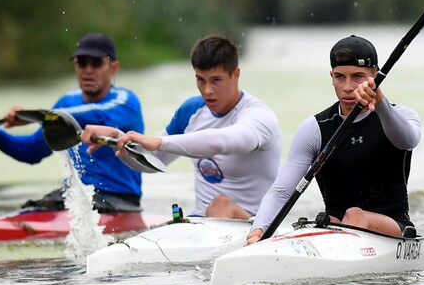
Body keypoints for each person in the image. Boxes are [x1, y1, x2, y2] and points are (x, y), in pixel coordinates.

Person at [81, 35, 281, 219]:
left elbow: (221, 142)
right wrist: (117, 139)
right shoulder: (191, 111)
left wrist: (158, 142)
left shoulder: (258, 117)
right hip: (202, 222)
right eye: (200, 80)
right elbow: (152, 162)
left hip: (255, 227)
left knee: (220, 206)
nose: (207, 90)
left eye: (216, 80)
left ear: (235, 74)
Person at [246, 35, 420, 244]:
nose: (347, 87)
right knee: (321, 223)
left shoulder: (400, 116)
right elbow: (281, 193)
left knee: (355, 214)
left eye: (358, 76)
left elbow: (408, 141)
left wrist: (380, 102)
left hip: (394, 228)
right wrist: (257, 232)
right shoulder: (315, 128)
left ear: (376, 76)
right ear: (331, 76)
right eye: (340, 77)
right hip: (336, 223)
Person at [0, 33, 144, 212]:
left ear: (113, 68)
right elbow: (32, 151)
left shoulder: (126, 102)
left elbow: (95, 116)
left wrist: (36, 115)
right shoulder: (65, 104)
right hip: (73, 195)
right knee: (32, 209)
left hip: (120, 200)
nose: (88, 70)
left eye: (96, 63)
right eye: (82, 63)